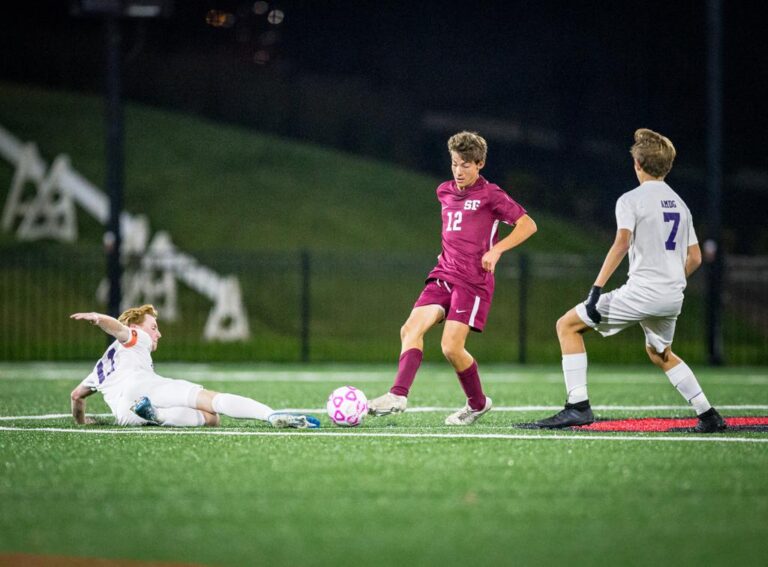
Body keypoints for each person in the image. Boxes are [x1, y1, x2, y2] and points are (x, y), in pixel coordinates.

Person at [535, 128, 726, 433]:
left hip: (643, 293)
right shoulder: (680, 204)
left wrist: (596, 289)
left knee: (567, 325)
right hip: (672, 296)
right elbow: (696, 258)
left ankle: (577, 407)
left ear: (637, 164)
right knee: (660, 352)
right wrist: (672, 282)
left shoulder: (631, 199)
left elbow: (621, 243)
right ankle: (708, 414)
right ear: (667, 166)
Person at [368, 131, 537, 425]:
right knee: (410, 329)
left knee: (451, 347)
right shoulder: (444, 191)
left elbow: (528, 225)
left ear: (480, 163)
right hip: (443, 274)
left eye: (466, 165)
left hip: (473, 281)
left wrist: (496, 251)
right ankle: (397, 394)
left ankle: (478, 403)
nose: (459, 171)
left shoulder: (491, 195)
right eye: (455, 164)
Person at [70, 304, 320, 429]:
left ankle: (158, 417)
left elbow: (77, 396)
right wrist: (99, 318)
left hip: (124, 414)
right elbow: (120, 329)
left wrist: (83, 423)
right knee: (212, 400)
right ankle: (269, 415)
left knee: (212, 420)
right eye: (154, 327)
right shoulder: (138, 338)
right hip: (142, 386)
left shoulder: (100, 367)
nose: (158, 334)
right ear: (137, 328)